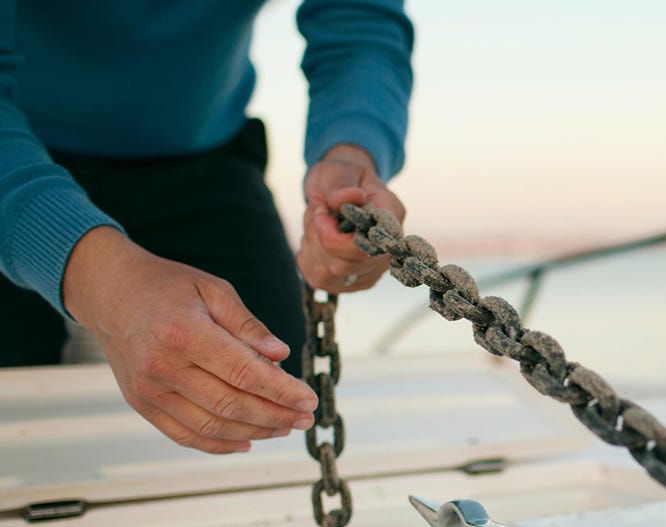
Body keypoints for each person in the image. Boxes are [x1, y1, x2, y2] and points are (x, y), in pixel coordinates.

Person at [0, 1, 413, 454]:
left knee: (270, 398)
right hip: (18, 152)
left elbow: (358, 20)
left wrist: (351, 155)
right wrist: (100, 283)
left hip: (206, 157)